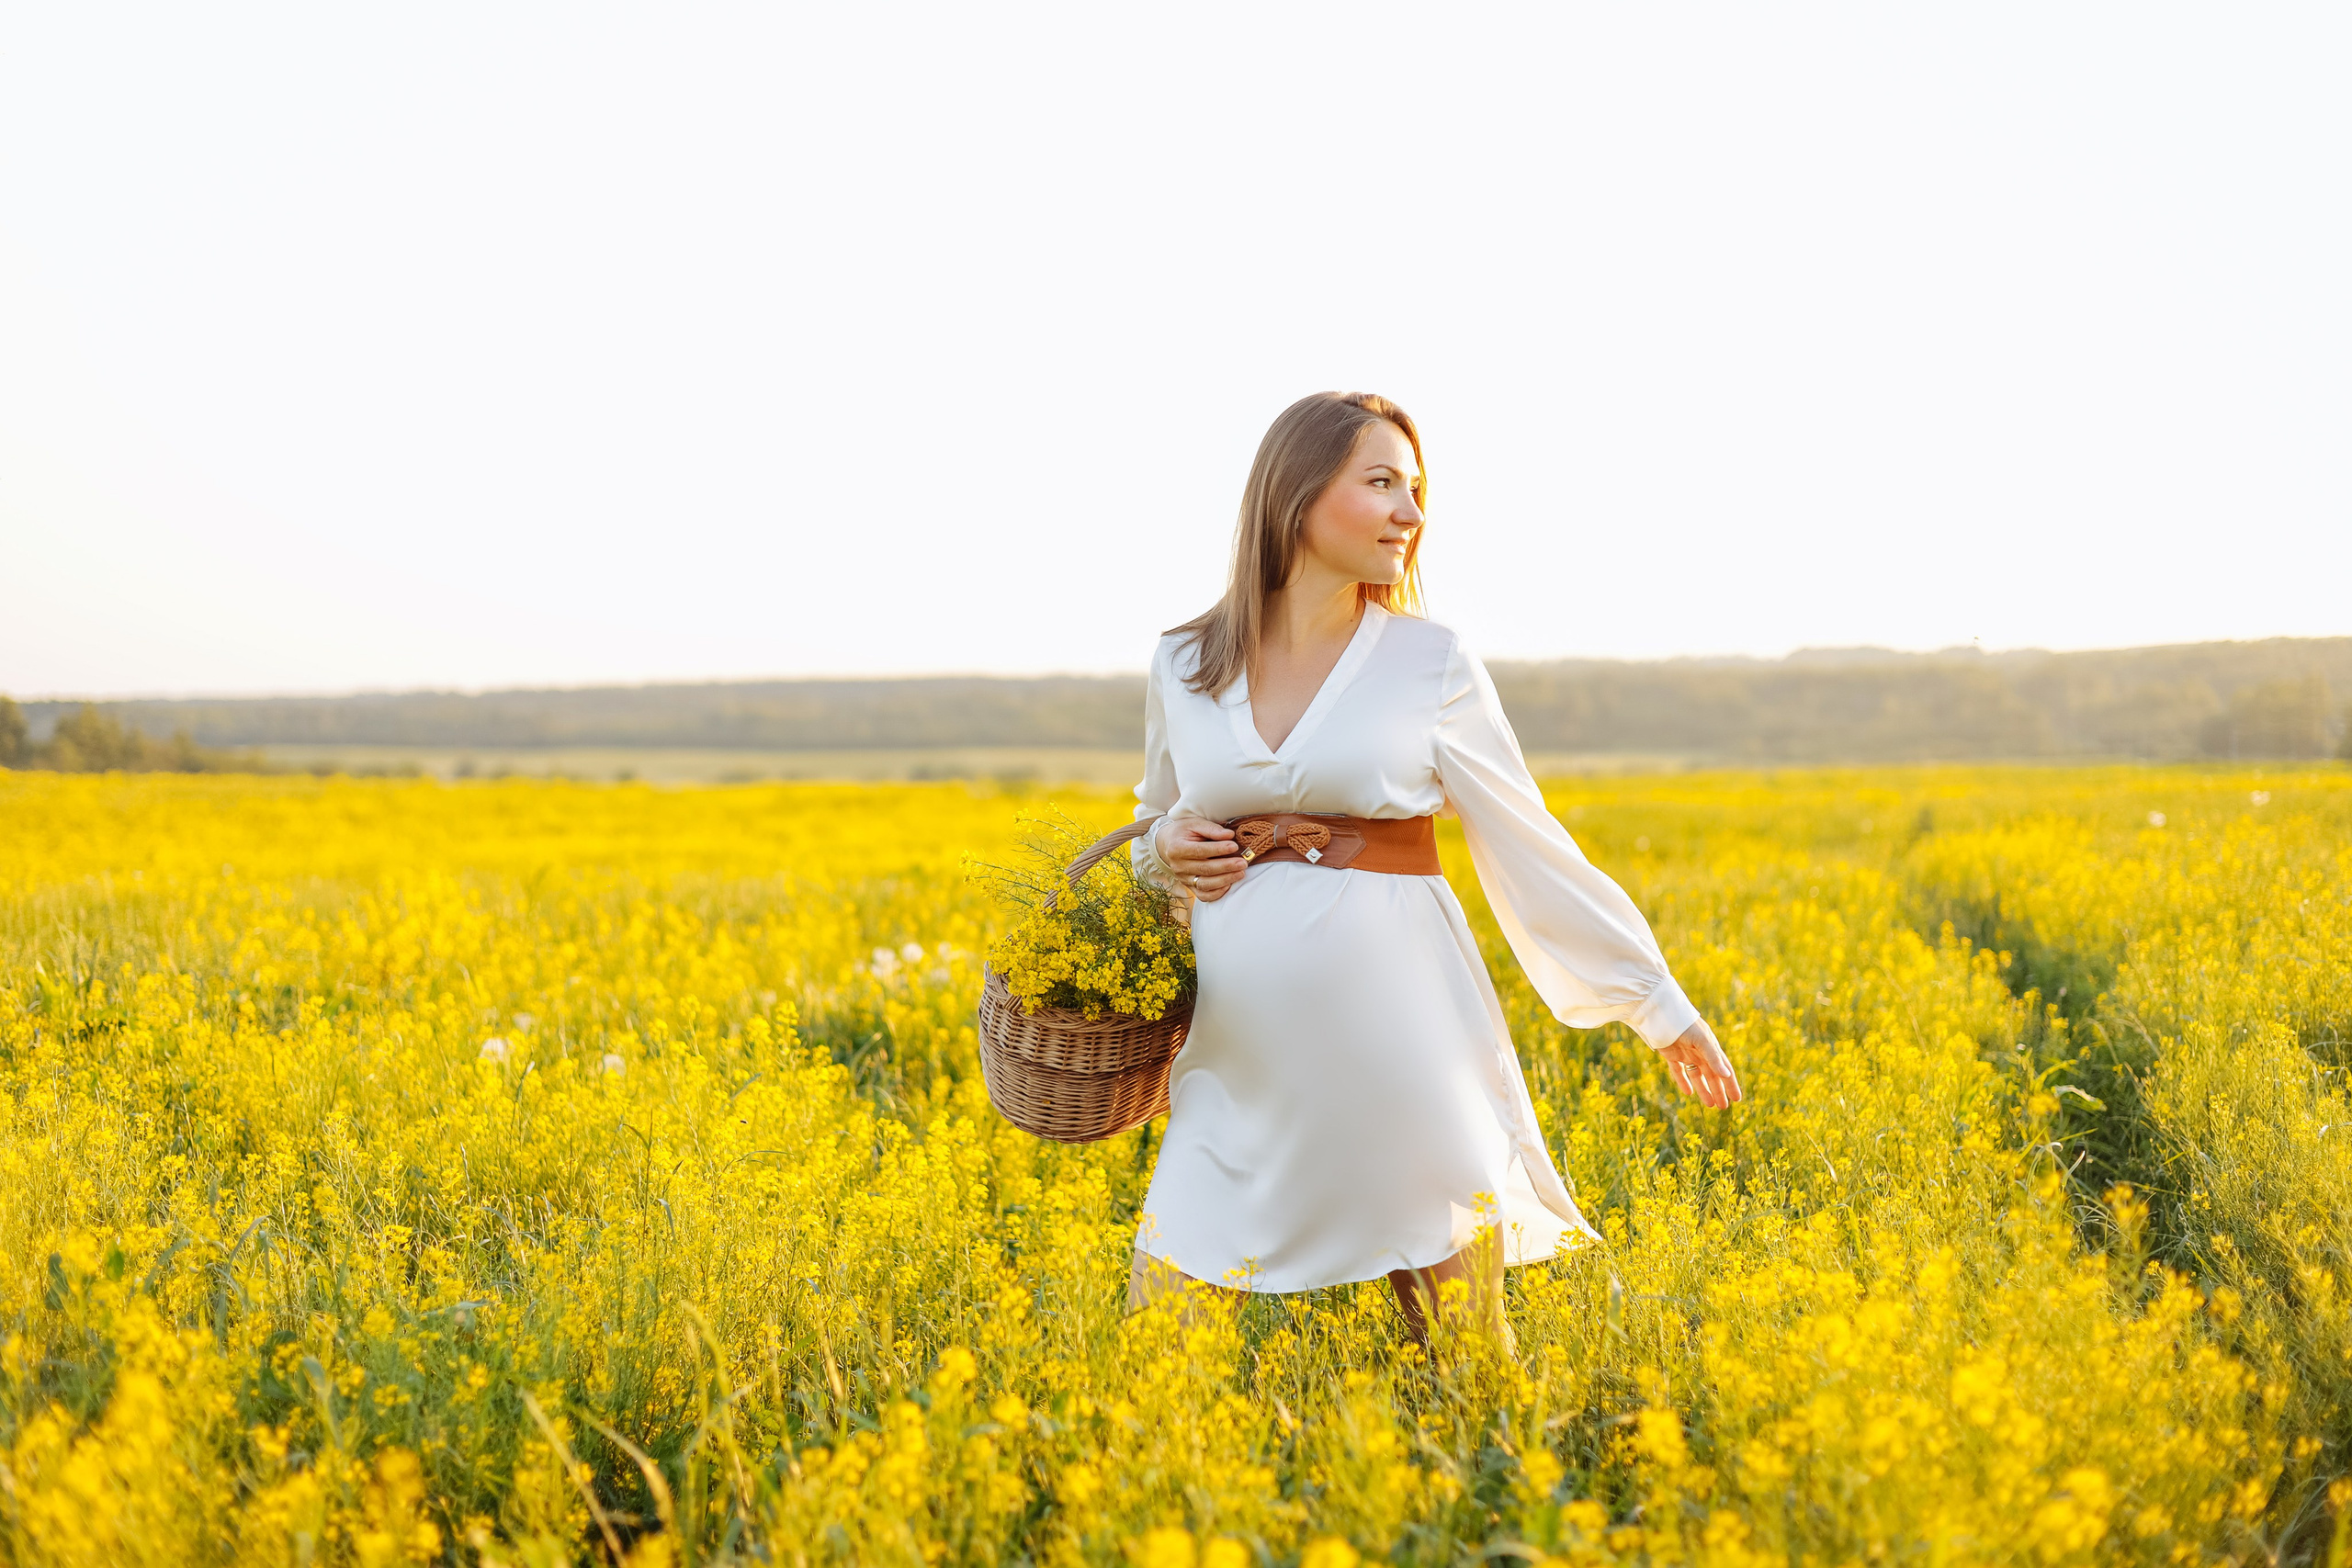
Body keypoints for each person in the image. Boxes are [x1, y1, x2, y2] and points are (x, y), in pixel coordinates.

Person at [1126, 391, 1743, 1348]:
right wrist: (1164, 847)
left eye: (1415, 491)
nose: (1412, 515)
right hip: (1237, 1059)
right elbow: (1149, 828)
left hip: (1404, 1042)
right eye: (1381, 485)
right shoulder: (1183, 662)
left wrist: (1653, 1002)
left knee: (1459, 1353)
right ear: (1295, 497)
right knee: (1159, 1341)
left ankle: (1480, 1489)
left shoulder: (1430, 660)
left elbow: (1527, 839)